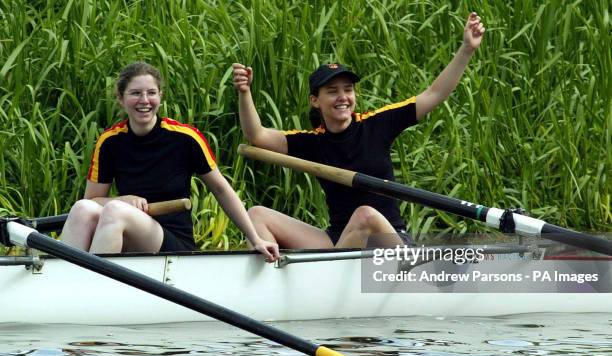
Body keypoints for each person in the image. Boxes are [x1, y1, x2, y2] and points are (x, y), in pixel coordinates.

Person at [232, 13, 485, 249]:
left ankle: (331, 284)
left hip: (388, 240)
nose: (343, 97)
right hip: (340, 240)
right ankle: (280, 289)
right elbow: (257, 136)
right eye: (332, 91)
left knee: (364, 215)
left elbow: (434, 94)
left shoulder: (377, 124)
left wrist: (466, 50)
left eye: (348, 89)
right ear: (315, 101)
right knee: (257, 216)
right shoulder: (312, 143)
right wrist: (245, 92)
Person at [61, 61, 279, 261]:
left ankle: (89, 286)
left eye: (151, 93)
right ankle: (63, 283)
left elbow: (222, 190)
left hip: (174, 243)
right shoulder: (109, 142)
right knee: (82, 209)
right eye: (136, 93)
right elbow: (92, 201)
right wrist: (124, 200)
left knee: (115, 212)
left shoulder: (185, 137)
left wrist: (255, 238)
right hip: (127, 231)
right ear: (121, 98)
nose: (144, 101)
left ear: (160, 96)